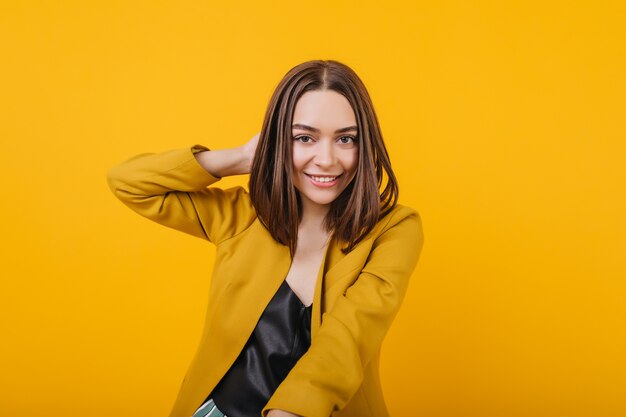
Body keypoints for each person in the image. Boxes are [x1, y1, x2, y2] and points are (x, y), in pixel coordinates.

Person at [107, 59, 424, 417]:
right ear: (277, 142)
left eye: (345, 139)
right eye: (304, 138)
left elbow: (348, 336)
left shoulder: (394, 229)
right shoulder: (242, 217)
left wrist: (288, 411)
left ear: (364, 144)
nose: (326, 159)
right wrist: (240, 158)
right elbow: (128, 182)